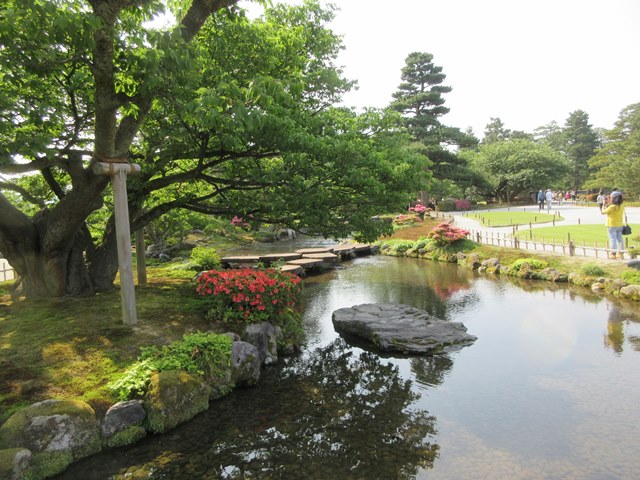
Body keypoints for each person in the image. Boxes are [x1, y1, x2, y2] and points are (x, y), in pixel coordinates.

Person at [601, 190, 625, 259]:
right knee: (620, 239)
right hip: (620, 225)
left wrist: (604, 204)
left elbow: (603, 212)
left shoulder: (612, 207)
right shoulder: (622, 206)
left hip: (611, 225)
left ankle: (613, 254)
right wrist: (609, 203)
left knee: (612, 239)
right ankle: (620, 253)